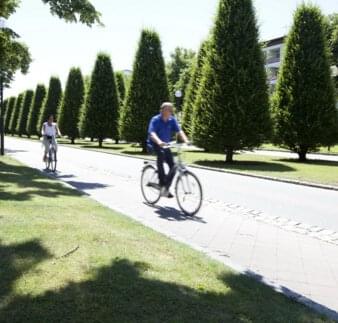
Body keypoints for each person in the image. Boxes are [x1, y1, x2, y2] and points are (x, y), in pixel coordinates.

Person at [147, 102, 189, 198]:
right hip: (154, 144)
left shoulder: (172, 120)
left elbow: (179, 131)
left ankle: (165, 188)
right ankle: (162, 183)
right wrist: (159, 141)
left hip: (165, 145)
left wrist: (186, 140)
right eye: (168, 109)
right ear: (162, 110)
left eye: (171, 110)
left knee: (173, 166)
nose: (171, 111)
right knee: (161, 155)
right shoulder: (155, 120)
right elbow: (152, 133)